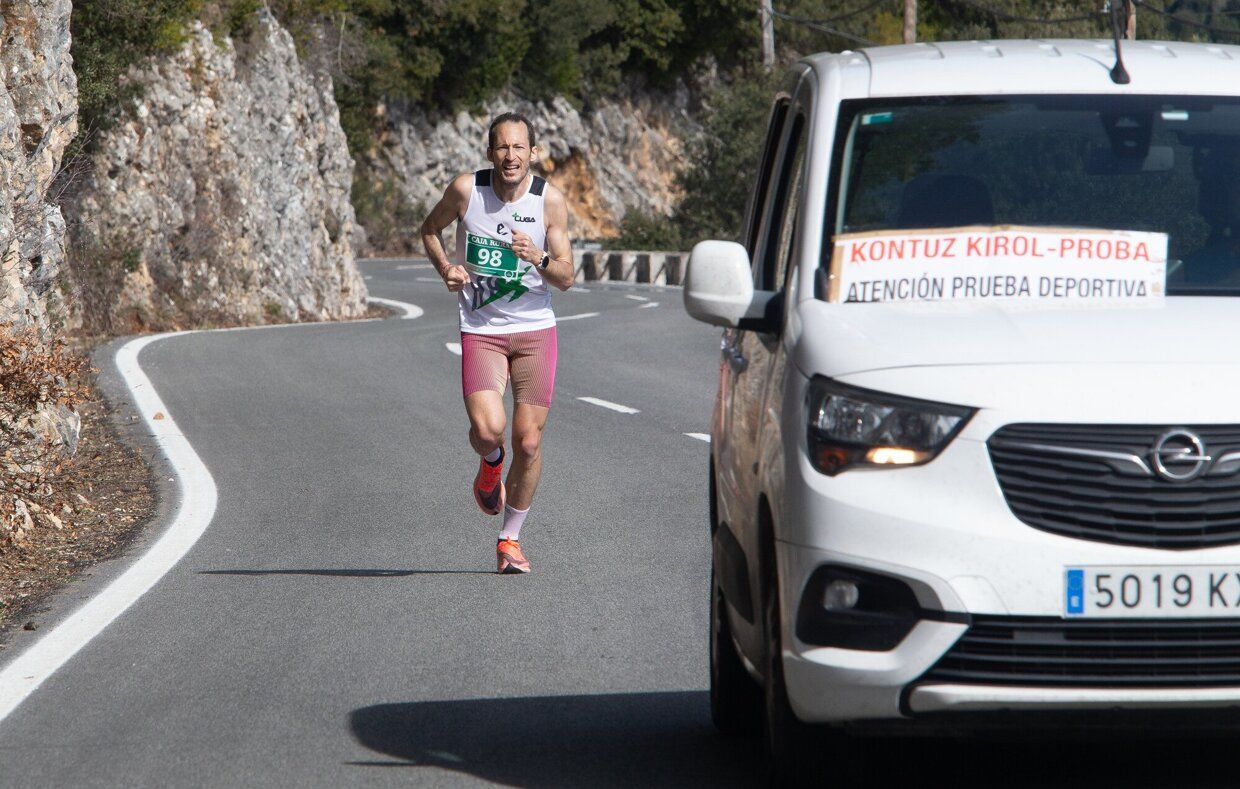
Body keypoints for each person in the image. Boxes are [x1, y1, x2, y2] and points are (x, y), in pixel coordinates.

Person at [420, 112, 575, 574]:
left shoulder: (550, 201)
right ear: (491, 153)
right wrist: (447, 268)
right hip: (482, 330)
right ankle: (490, 463)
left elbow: (566, 277)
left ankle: (510, 539)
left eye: (519, 148)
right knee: (490, 431)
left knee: (528, 443)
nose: (511, 156)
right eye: (502, 148)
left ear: (533, 152)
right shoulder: (467, 191)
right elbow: (430, 230)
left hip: (535, 331)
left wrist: (538, 255)